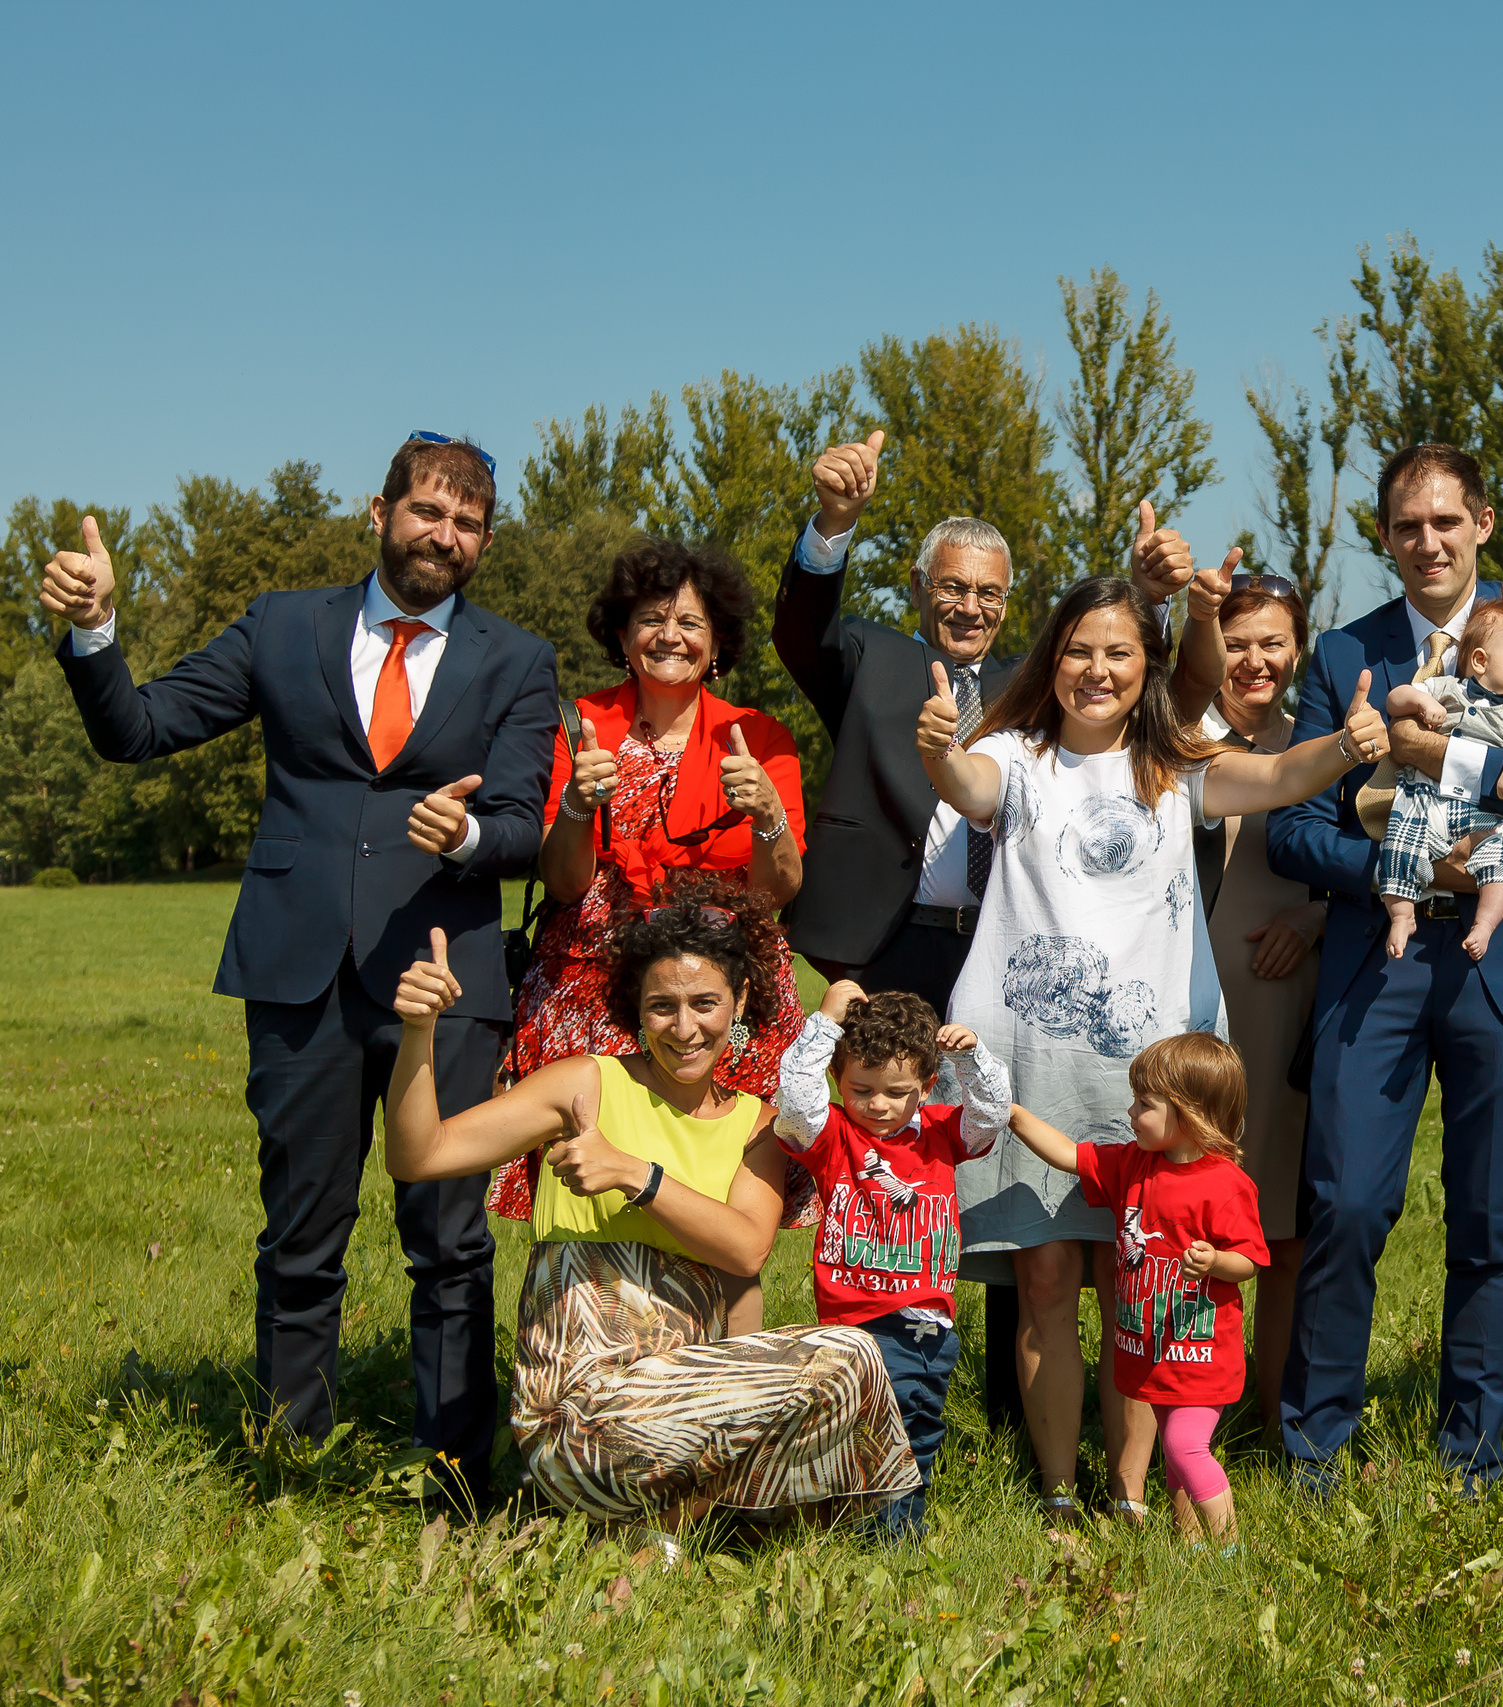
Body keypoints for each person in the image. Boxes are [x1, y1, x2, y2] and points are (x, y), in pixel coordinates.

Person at [39, 433, 556, 1500]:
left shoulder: (516, 660)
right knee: (301, 1235)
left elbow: (520, 828)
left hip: (442, 983)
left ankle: (459, 1477)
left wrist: (460, 839)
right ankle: (289, 1467)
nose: (442, 536)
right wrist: (96, 633)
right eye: (426, 512)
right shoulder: (284, 625)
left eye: (465, 524)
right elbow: (139, 731)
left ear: (486, 542)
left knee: (451, 1242)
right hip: (298, 975)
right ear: (380, 513)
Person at [918, 574, 1385, 1521]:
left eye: (1119, 652)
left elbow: (1285, 777)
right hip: (1027, 1052)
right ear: (1053, 659)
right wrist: (940, 750)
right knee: (1046, 1276)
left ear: (1150, 667)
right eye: (1080, 650)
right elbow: (969, 786)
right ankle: (1057, 1491)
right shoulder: (1013, 751)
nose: (1097, 669)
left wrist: (1346, 745)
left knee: (1143, 1281)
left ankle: (1128, 1490)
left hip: (1156, 1076)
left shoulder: (1180, 764)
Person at [772, 440, 1202, 1420]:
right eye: (953, 587)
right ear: (921, 586)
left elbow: (1137, 690)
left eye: (990, 594)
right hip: (887, 948)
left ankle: (1020, 1414)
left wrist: (1156, 598)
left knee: (1004, 1155)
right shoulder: (871, 657)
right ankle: (877, 1386)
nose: (970, 607)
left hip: (1007, 956)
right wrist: (832, 523)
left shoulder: (1034, 687)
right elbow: (800, 631)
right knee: (883, 1161)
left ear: (1011, 605)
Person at [1266, 442, 1503, 1494]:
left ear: (1484, 525)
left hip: (1502, 954)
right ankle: (1314, 1447)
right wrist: (1388, 864)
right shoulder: (1344, 653)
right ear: (1385, 537)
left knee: (1486, 1215)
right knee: (1347, 1205)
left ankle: (1472, 1456)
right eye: (1408, 526)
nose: (1428, 542)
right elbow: (1291, 833)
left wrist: (1439, 761)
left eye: (1446, 523)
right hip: (1382, 954)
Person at [381, 878, 918, 1543]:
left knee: (853, 1356)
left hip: (692, 1415)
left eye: (704, 1003)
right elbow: (420, 1155)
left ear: (741, 1000)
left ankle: (671, 1528)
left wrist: (632, 1172)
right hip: (581, 1419)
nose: (684, 1027)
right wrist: (417, 1033)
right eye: (662, 1005)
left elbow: (746, 1252)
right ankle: (680, 1526)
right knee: (836, 1366)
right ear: (636, 1006)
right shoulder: (586, 1083)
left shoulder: (757, 1126)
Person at [494, 538, 809, 1331]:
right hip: (590, 987)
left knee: (723, 1211)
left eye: (690, 621)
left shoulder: (759, 737)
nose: (671, 634)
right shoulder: (578, 725)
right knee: (595, 1203)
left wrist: (766, 811)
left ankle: (729, 1404)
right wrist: (574, 804)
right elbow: (565, 883)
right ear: (622, 631)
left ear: (718, 639)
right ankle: (590, 1376)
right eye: (651, 618)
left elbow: (778, 892)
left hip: (716, 994)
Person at [1170, 564, 1329, 1439]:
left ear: (1298, 647)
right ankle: (1186, 1410)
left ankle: (1274, 1419)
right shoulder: (1172, 737)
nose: (1255, 660)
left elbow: (1373, 865)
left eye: (1273, 641)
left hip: (1284, 1004)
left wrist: (1312, 916)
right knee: (1186, 1212)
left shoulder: (1325, 743)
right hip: (1189, 1008)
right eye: (1236, 642)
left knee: (1279, 1224)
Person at [1006, 1034, 1271, 1542]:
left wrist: (1216, 1261)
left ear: (1190, 1114)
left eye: (1144, 1104)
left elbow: (1250, 1261)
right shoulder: (1134, 1164)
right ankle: (1191, 1544)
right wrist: (1015, 1114)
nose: (1130, 1112)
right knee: (1176, 1448)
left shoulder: (1225, 1183)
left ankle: (1229, 1550)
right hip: (1154, 1352)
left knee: (1187, 1446)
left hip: (1201, 1354)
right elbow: (1068, 1155)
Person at [771, 982, 1012, 1540]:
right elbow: (794, 1103)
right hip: (848, 1322)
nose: (877, 1104)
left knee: (911, 1424)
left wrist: (972, 1057)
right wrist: (824, 1024)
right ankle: (852, 1523)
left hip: (920, 1325)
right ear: (839, 1079)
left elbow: (992, 1113)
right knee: (849, 1428)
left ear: (927, 1087)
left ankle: (894, 1533)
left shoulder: (942, 1133)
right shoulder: (833, 1135)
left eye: (896, 1091)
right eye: (861, 1088)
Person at [1378, 595, 1503, 960]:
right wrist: (1421, 703)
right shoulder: (1445, 687)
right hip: (1424, 796)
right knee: (1398, 845)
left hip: (1483, 811)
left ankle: (1484, 924)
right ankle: (1401, 913)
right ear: (1480, 661)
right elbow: (1396, 699)